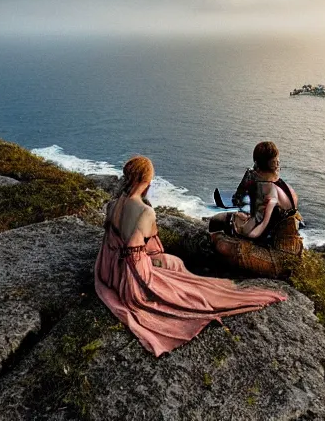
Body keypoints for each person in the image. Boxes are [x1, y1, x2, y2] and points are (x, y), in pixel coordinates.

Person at [95, 155, 286, 357]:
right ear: (146, 181)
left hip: (108, 269)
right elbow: (147, 243)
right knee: (181, 277)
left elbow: (121, 240)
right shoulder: (145, 211)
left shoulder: (113, 204)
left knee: (172, 264)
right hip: (130, 274)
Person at [209, 141, 301, 250]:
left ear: (257, 164)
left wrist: (238, 221)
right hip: (277, 230)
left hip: (265, 237)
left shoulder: (266, 189)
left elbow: (255, 228)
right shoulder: (288, 188)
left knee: (217, 219)